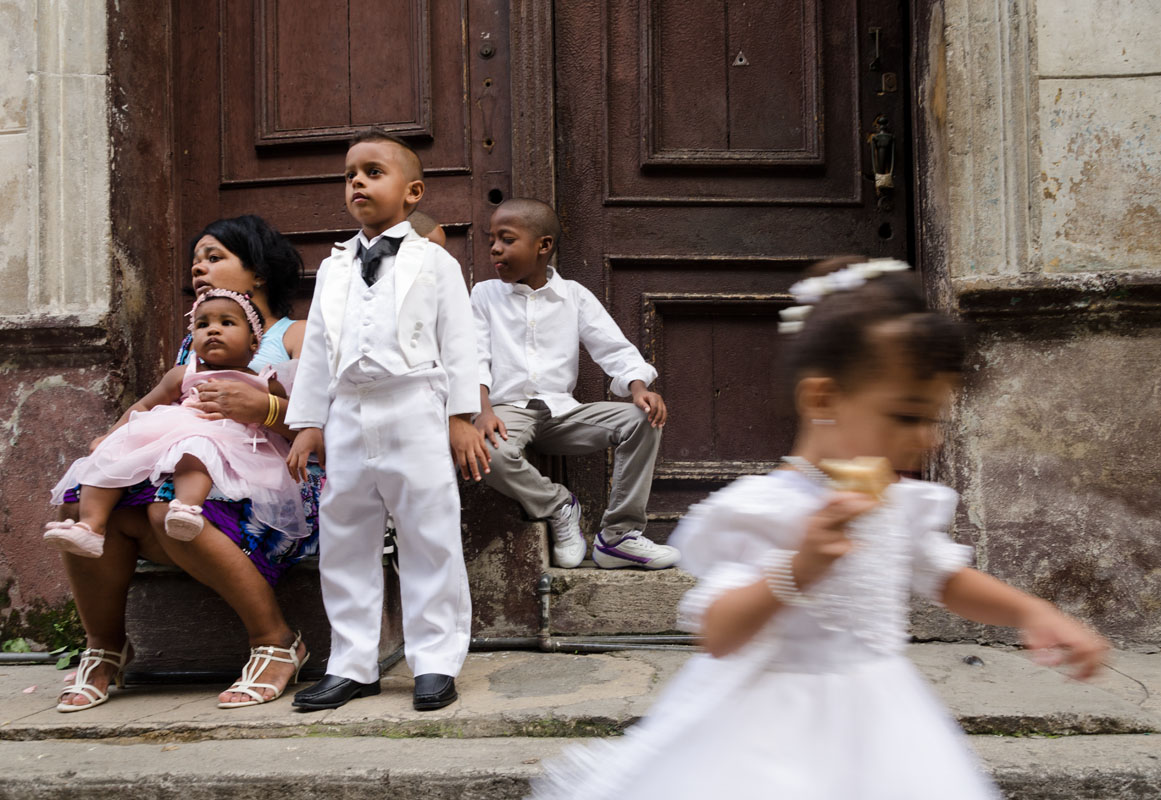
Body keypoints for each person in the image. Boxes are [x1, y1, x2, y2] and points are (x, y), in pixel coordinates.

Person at [529, 258, 1110, 799]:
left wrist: (1034, 613)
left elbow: (947, 579)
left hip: (883, 717)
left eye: (934, 417)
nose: (928, 437)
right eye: (907, 414)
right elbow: (718, 632)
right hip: (773, 724)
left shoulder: (896, 502)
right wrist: (799, 567)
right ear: (824, 397)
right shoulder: (765, 509)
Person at [54, 215, 321, 712]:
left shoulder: (293, 335)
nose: (199, 267)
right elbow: (159, 406)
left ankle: (276, 640)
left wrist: (263, 408)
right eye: (196, 259)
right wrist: (108, 444)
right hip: (189, 472)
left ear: (258, 272)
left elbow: (324, 429)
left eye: (215, 256)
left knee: (166, 509)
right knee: (84, 506)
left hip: (276, 480)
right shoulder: (196, 344)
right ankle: (104, 648)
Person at [285, 129, 485, 712]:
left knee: (429, 532)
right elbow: (318, 347)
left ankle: (435, 661)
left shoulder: (436, 262)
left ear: (413, 191)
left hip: (413, 405)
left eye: (373, 172)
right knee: (345, 534)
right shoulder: (334, 267)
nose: (357, 183)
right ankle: (351, 662)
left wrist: (461, 416)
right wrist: (308, 422)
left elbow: (460, 341)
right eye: (350, 175)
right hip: (348, 411)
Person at [471, 198, 676, 571]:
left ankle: (618, 537)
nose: (495, 249)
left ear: (543, 246)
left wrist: (638, 387)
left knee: (642, 418)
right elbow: (474, 357)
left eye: (506, 239)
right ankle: (559, 506)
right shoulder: (484, 295)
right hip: (507, 412)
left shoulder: (574, 296)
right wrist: (482, 411)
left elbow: (612, 347)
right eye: (491, 241)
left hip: (564, 413)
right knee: (489, 453)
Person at [47, 290, 303, 556]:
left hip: (227, 441)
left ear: (254, 341)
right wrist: (111, 436)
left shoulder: (266, 381)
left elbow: (285, 423)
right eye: (203, 325)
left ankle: (186, 509)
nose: (213, 330)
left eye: (226, 323)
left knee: (197, 447)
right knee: (113, 454)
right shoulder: (183, 373)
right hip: (172, 429)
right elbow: (144, 406)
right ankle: (90, 526)